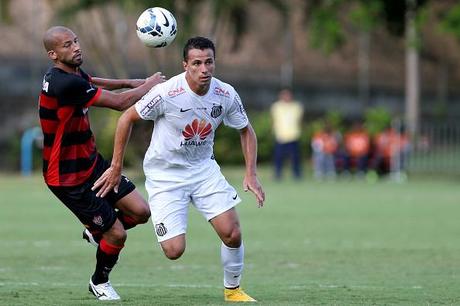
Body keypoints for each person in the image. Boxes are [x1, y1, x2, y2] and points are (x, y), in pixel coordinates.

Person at [92, 36, 265, 302]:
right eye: (197, 63)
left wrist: (251, 173)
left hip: (203, 170)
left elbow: (246, 130)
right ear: (185, 65)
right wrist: (116, 167)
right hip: (165, 175)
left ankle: (233, 290)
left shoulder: (225, 93)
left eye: (209, 62)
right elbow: (127, 118)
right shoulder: (166, 93)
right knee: (174, 250)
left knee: (233, 232)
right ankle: (106, 225)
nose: (204, 69)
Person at [38, 26, 165, 300]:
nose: (75, 47)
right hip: (67, 177)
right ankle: (99, 281)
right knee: (117, 235)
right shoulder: (64, 83)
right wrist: (148, 86)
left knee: (141, 212)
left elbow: (92, 80)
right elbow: (120, 105)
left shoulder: (71, 74)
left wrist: (132, 83)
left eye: (76, 41)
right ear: (53, 54)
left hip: (91, 162)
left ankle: (96, 231)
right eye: (67, 45)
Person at [270, 88, 304, 180]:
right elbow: (274, 120)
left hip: (293, 135)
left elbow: (299, 120)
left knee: (295, 158)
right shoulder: (276, 106)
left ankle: (297, 175)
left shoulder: (297, 106)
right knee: (278, 157)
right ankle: (277, 174)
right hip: (280, 136)